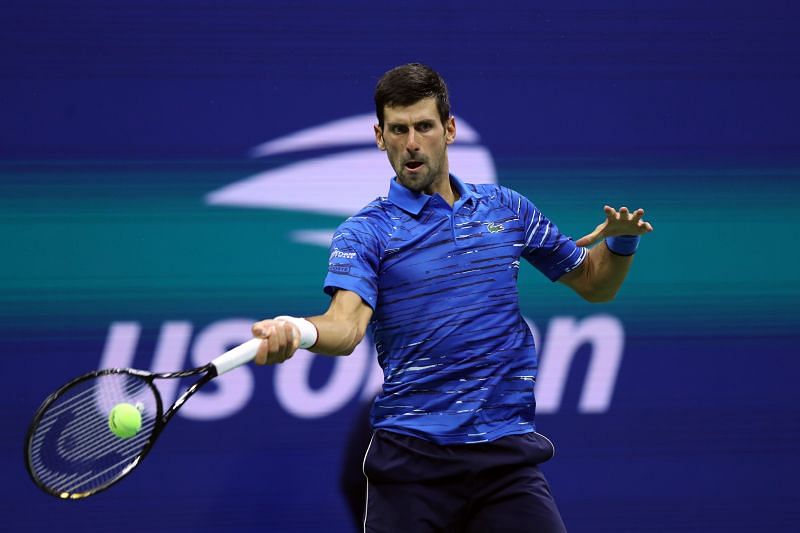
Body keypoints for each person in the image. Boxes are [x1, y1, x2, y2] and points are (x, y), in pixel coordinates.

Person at [251, 63, 653, 532]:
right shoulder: (365, 233)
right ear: (380, 137)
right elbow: (345, 327)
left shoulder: (508, 209)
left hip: (505, 462)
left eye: (424, 126)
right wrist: (298, 331)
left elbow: (594, 283)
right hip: (410, 468)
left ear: (450, 128)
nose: (412, 143)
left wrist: (622, 244)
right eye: (398, 130)